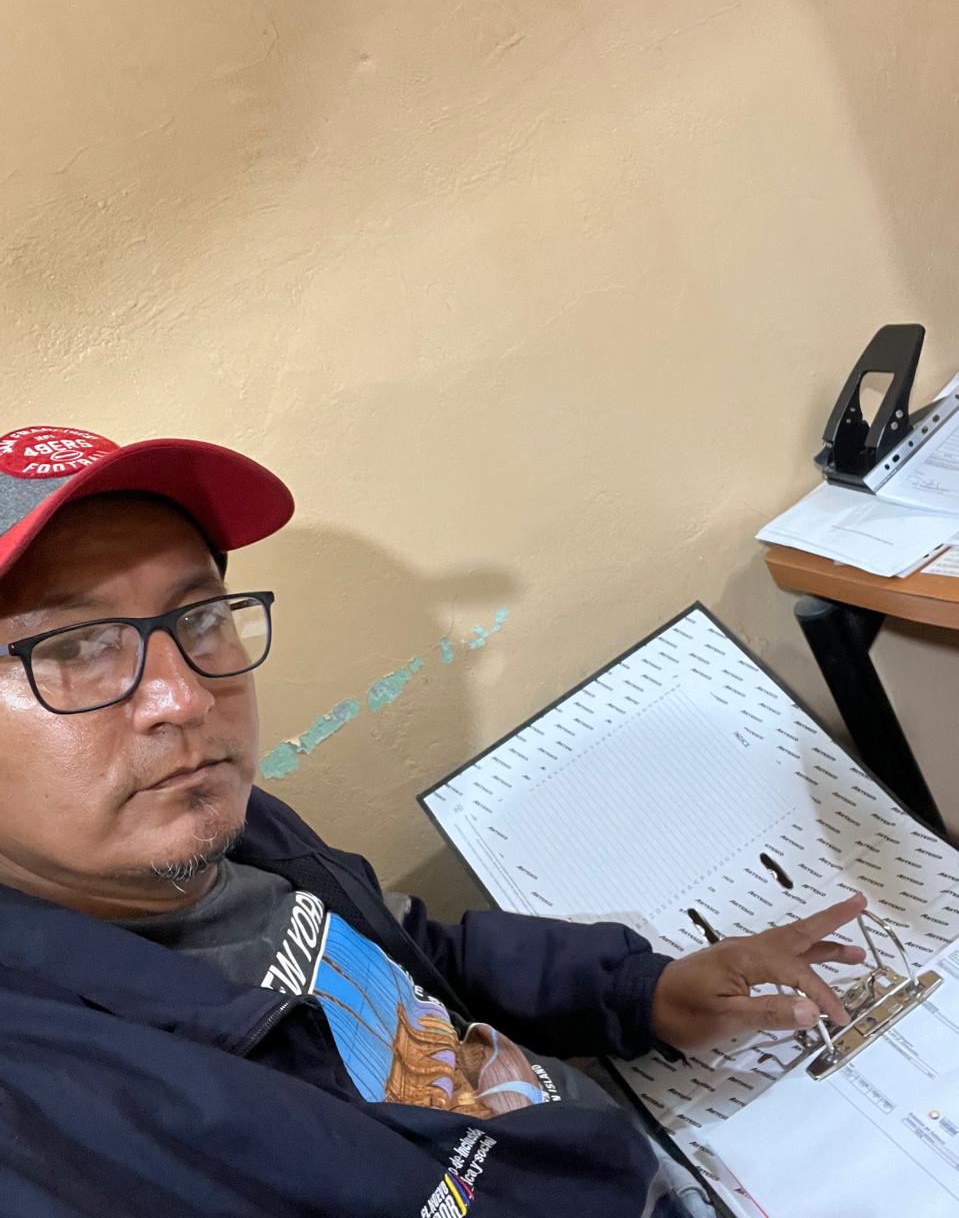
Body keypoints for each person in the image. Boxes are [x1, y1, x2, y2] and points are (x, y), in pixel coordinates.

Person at [0, 425, 867, 1217]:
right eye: (74, 648)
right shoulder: (52, 1127)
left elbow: (410, 959)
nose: (184, 696)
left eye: (197, 619)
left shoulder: (230, 826)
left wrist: (640, 994)